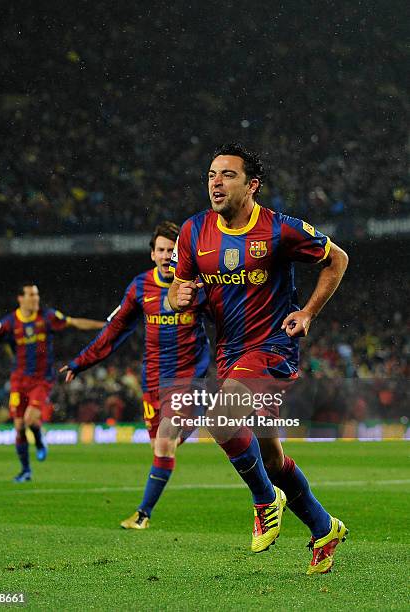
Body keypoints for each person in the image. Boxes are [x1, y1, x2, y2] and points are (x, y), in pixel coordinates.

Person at [168, 143, 349, 574]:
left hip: (271, 348)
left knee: (221, 419)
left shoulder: (279, 229)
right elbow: (177, 293)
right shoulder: (193, 232)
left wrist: (307, 312)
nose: (215, 181)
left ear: (252, 185)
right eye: (211, 174)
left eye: (227, 175)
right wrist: (181, 298)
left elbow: (336, 258)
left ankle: (265, 499)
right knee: (271, 460)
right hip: (230, 354)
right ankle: (325, 529)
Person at [61, 222, 210, 529]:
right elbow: (113, 330)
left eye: (173, 250)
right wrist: (80, 362)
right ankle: (192, 421)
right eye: (162, 250)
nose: (167, 256)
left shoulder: (197, 285)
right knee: (161, 446)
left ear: (183, 252)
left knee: (165, 442)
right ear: (152, 254)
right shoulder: (140, 287)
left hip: (186, 377)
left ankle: (143, 514)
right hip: (153, 379)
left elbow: (232, 316)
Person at [0, 284, 105, 482]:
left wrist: (105, 326)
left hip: (42, 379)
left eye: (37, 295)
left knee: (31, 420)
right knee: (19, 426)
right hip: (19, 380)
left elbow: (74, 322)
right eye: (31, 295)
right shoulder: (9, 322)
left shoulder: (47, 316)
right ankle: (25, 471)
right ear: (20, 298)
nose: (36, 299)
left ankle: (40, 441)